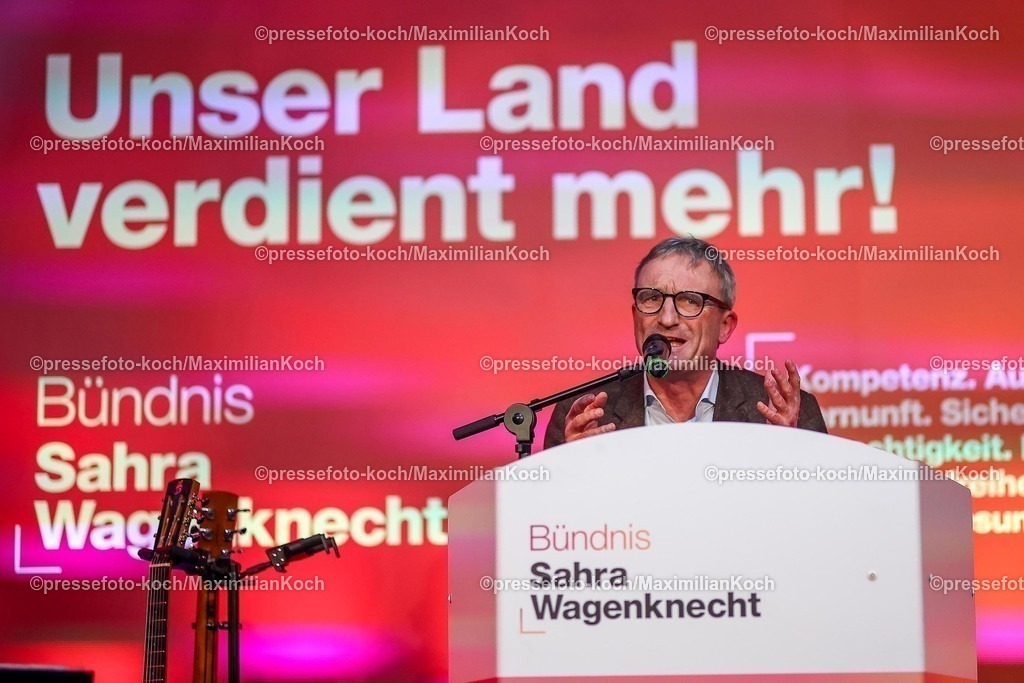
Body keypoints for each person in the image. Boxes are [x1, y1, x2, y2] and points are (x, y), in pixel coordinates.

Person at [544, 236, 827, 449]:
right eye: (652, 299)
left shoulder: (785, 416)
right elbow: (552, 519)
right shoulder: (581, 418)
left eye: (690, 301)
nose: (666, 318)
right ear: (635, 316)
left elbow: (819, 519)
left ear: (725, 327)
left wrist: (791, 458)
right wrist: (574, 470)